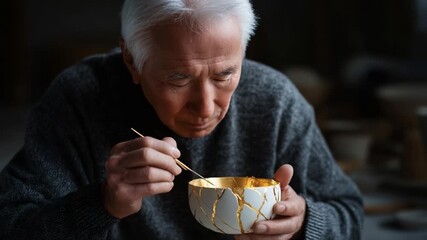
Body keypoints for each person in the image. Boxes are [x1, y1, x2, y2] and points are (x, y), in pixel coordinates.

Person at [0, 0, 363, 239]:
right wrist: (102, 203)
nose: (206, 108)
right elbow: (11, 224)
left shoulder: (274, 99)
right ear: (131, 61)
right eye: (178, 79)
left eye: (225, 75)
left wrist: (302, 224)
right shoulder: (78, 100)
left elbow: (349, 213)